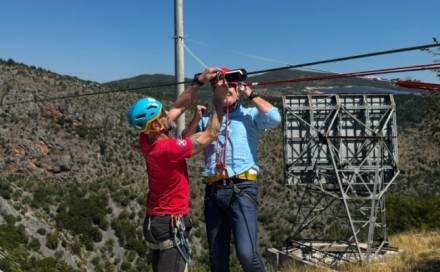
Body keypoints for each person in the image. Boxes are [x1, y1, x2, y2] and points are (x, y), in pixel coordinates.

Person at [126, 67, 228, 272]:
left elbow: (179, 107)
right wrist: (219, 99)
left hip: (154, 223)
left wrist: (199, 82)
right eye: (162, 115)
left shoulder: (146, 138)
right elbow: (210, 135)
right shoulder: (167, 149)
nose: (167, 115)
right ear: (155, 125)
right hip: (170, 222)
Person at [184, 67, 282, 271]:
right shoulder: (206, 121)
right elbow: (184, 145)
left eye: (231, 90)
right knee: (217, 259)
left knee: (247, 254)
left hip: (242, 187)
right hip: (213, 190)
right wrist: (196, 117)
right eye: (221, 90)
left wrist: (251, 94)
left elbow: (274, 118)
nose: (226, 93)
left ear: (237, 92)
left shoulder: (250, 115)